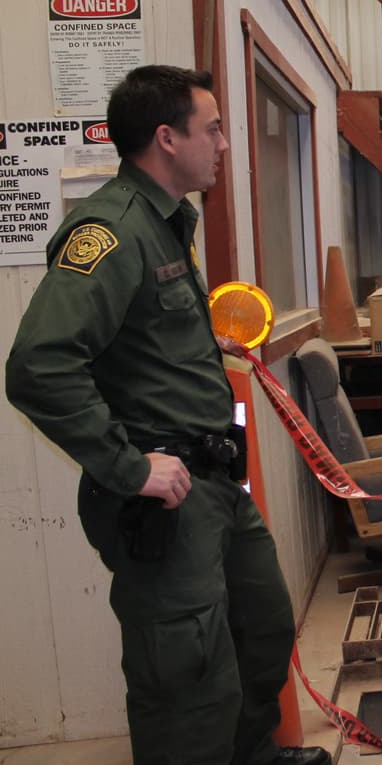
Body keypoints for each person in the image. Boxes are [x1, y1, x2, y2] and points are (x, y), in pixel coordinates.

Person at [5, 66, 329, 765]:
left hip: (216, 485)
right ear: (165, 137)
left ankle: (252, 756)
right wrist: (129, 467)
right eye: (210, 128)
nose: (221, 143)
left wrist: (192, 343)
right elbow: (38, 365)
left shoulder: (167, 221)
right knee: (186, 678)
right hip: (166, 498)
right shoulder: (114, 231)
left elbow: (140, 335)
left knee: (261, 629)